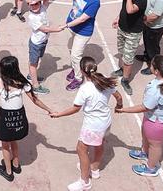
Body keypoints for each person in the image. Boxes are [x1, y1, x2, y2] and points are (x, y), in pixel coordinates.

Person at [50, 56, 123, 191]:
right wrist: (119, 106)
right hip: (106, 121)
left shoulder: (85, 89)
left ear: (82, 71)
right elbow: (118, 96)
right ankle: (94, 169)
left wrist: (58, 114)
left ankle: (84, 182)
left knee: (81, 149)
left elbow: (75, 109)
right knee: (100, 143)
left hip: (92, 125)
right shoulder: (105, 81)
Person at [0, 56, 52, 182]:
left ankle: (8, 171)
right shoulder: (21, 81)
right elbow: (35, 100)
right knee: (14, 141)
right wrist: (49, 109)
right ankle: (16, 165)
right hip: (19, 118)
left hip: (5, 118)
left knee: (5, 145)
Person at [64, 0, 102, 91]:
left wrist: (65, 25)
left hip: (83, 32)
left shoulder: (94, 2)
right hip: (73, 28)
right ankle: (76, 68)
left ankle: (78, 78)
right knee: (72, 51)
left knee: (75, 55)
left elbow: (82, 19)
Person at [112, 0, 148, 95]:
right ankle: (122, 70)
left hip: (133, 33)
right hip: (122, 29)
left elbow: (130, 10)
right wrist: (117, 18)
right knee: (122, 51)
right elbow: (123, 10)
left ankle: (126, 80)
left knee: (128, 58)